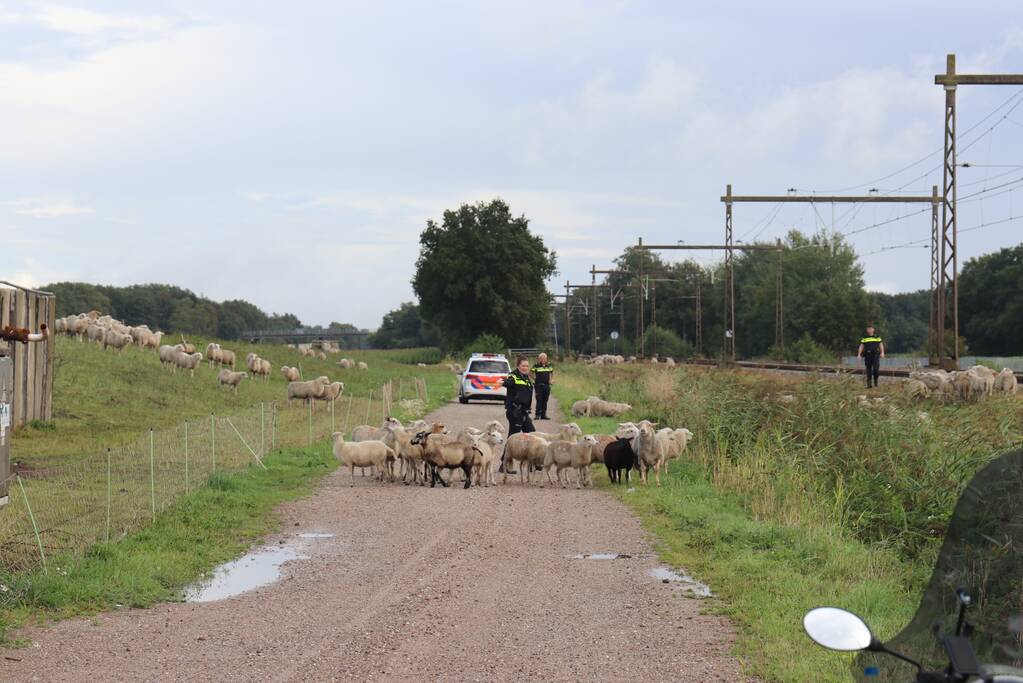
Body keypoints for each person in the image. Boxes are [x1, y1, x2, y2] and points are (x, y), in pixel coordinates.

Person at [503, 355, 535, 437]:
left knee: (532, 435)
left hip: (524, 411)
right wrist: (505, 382)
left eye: (527, 366)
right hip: (515, 411)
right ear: (518, 366)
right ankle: (507, 450)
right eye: (523, 366)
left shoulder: (526, 377)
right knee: (513, 437)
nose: (525, 368)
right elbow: (509, 382)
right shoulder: (513, 376)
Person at [531, 352, 554, 420]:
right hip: (538, 385)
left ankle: (543, 415)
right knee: (539, 400)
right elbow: (530, 373)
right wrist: (534, 378)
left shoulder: (549, 365)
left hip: (547, 385)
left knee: (545, 400)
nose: (543, 359)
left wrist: (551, 380)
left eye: (545, 358)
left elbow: (552, 373)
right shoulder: (536, 365)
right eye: (542, 358)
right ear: (539, 359)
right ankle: (537, 415)